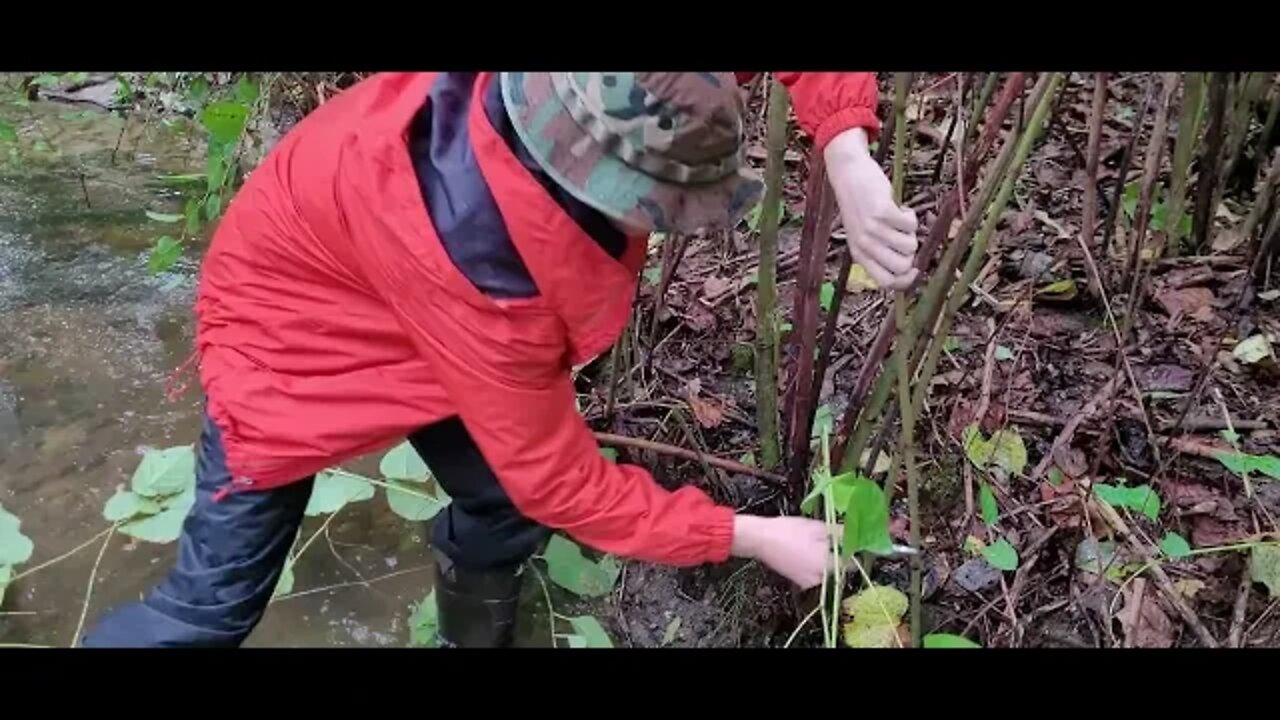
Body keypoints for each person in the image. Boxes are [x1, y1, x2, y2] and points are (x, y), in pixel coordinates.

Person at [80, 72, 919, 648]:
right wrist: (751, 535)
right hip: (287, 333)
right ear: (610, 192)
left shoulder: (602, 93)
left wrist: (846, 148)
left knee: (499, 503)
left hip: (367, 251)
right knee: (208, 618)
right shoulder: (492, 280)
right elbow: (560, 482)